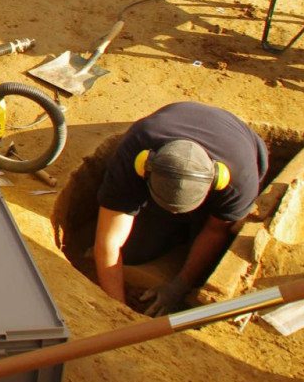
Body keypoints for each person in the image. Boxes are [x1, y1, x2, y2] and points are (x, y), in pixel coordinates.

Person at [93, 102, 268, 316]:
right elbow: (109, 242)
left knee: (210, 257)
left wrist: (180, 286)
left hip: (237, 142)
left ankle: (185, 232)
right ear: (145, 168)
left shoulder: (240, 179)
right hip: (170, 127)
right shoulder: (134, 152)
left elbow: (216, 230)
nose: (175, 213)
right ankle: (173, 230)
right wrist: (117, 307)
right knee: (133, 252)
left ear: (218, 179)